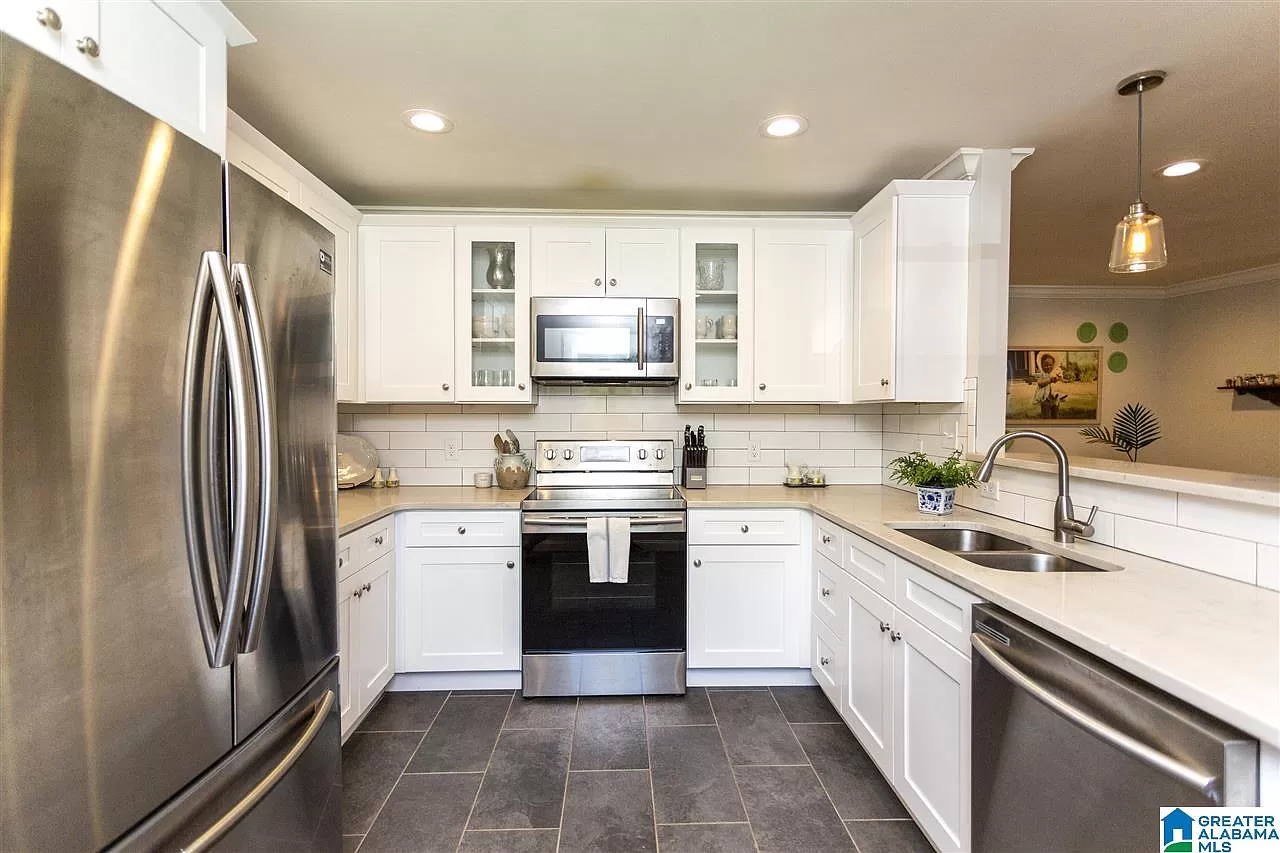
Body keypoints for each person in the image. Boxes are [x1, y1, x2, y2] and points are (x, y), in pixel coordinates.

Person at [1031, 352, 1064, 418]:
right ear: (1041, 366)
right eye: (1045, 365)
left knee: (1055, 415)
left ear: (1053, 364)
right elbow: (1040, 383)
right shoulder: (1042, 375)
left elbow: (1060, 380)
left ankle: (1055, 425)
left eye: (1050, 365)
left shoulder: (1055, 373)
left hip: (1055, 399)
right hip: (1045, 399)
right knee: (1046, 416)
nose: (1048, 367)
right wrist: (1049, 380)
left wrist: (1059, 378)